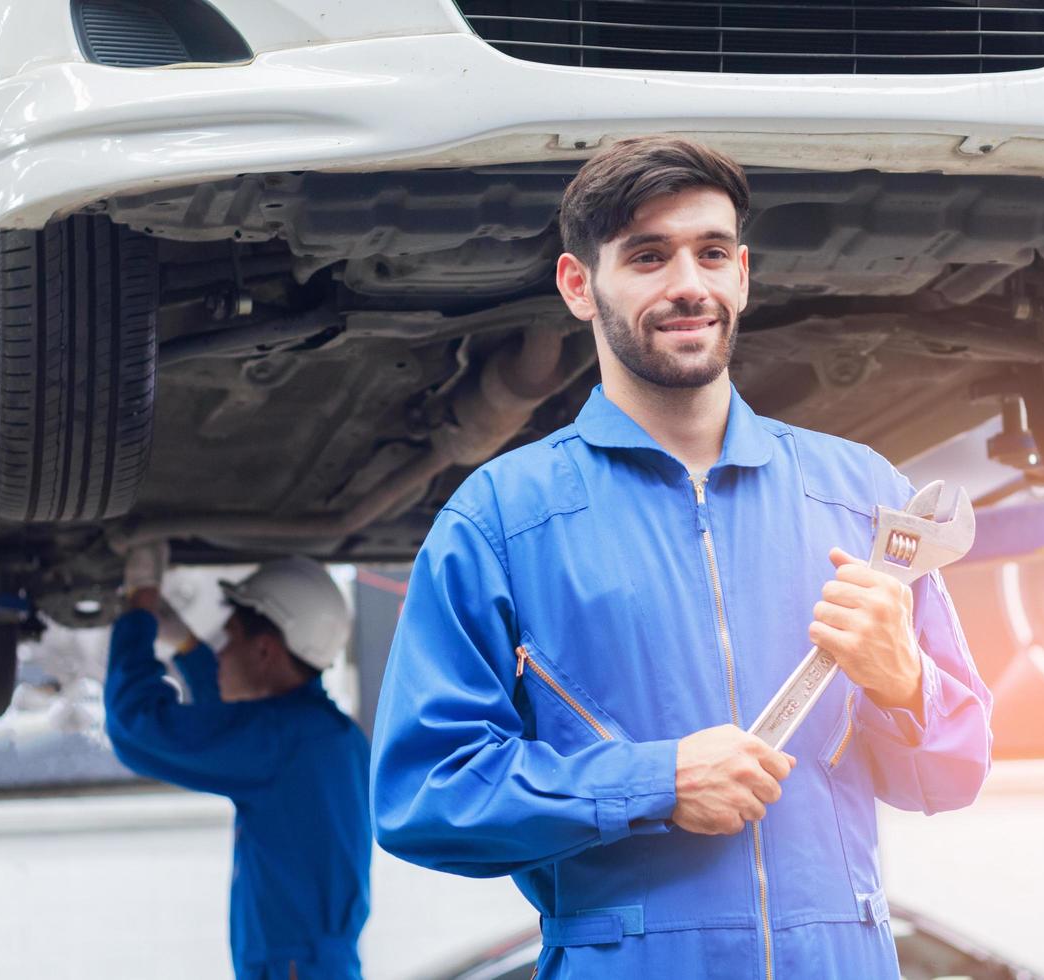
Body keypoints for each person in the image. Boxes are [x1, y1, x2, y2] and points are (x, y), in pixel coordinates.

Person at [370, 136, 992, 978]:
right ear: (579, 286)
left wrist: (904, 681)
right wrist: (651, 782)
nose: (688, 286)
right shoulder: (500, 521)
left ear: (742, 272)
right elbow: (424, 796)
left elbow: (952, 775)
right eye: (649, 257)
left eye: (709, 253)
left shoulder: (862, 496)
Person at [105, 548, 371, 980]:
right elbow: (234, 730)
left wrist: (140, 610)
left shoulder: (285, 741)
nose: (221, 652)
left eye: (228, 639)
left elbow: (137, 729)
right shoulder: (326, 734)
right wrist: (189, 649)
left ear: (265, 650)